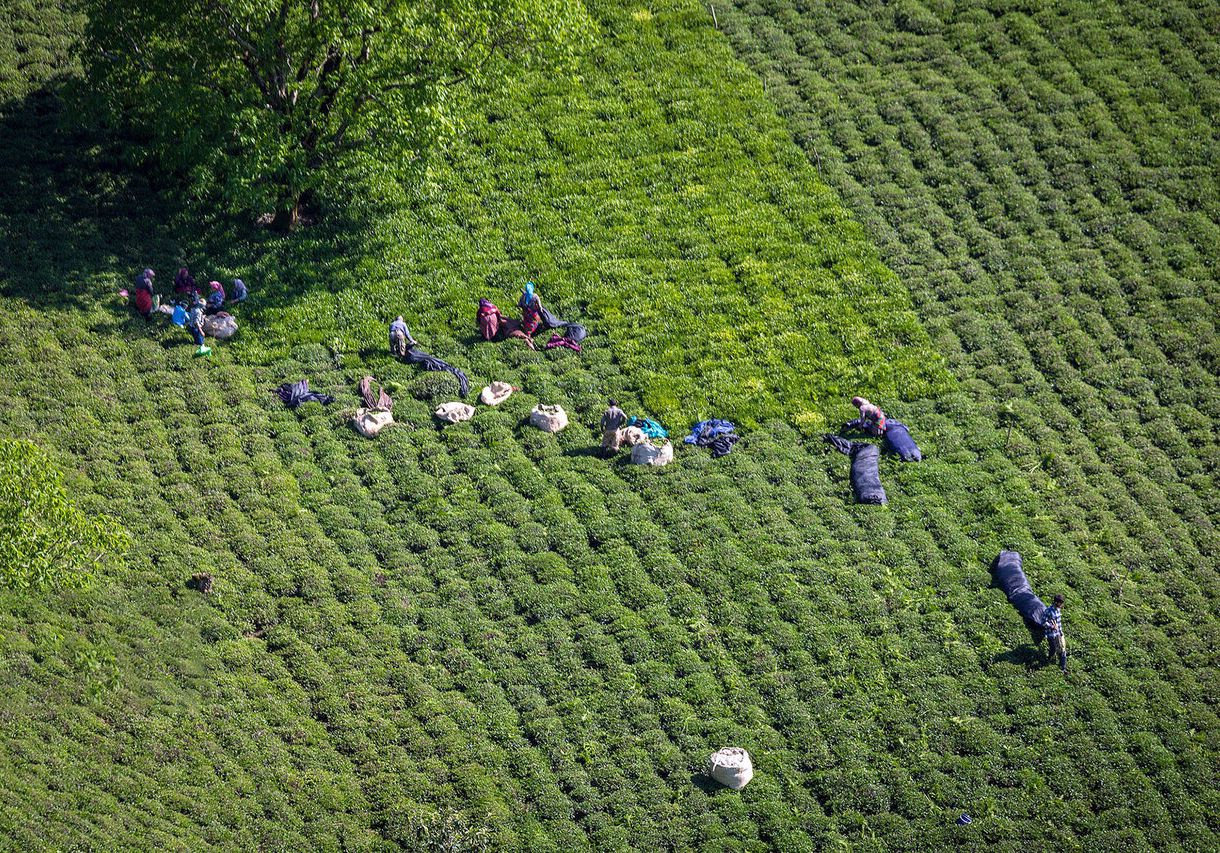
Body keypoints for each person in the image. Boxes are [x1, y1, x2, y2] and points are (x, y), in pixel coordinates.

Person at [1042, 594, 1067, 672]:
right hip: (1051, 634)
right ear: (1056, 602)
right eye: (1060, 603)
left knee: (1062, 649)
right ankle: (1049, 659)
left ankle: (1063, 667)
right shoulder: (1048, 610)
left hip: (1058, 634)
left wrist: (1060, 631)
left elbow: (1058, 623)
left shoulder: (1058, 610)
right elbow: (1043, 622)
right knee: (1053, 648)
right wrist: (1052, 627)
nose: (1061, 605)